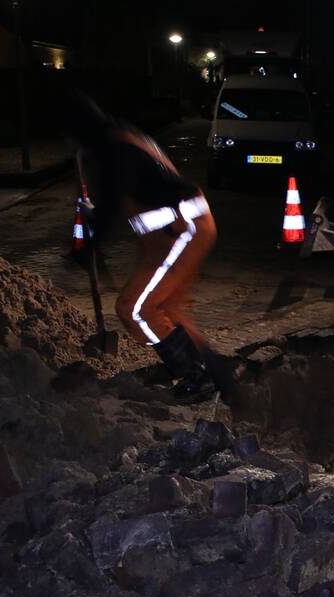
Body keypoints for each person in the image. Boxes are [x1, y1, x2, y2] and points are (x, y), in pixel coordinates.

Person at [63, 95, 227, 402]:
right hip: (172, 233)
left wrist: (90, 244)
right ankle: (202, 370)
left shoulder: (114, 151)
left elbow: (113, 201)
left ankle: (196, 376)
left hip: (184, 229)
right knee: (164, 311)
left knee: (136, 308)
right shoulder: (120, 138)